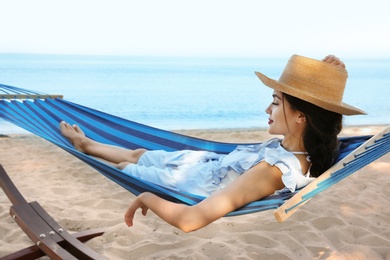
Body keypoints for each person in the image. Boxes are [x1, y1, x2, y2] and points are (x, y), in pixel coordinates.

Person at [60, 54, 366, 232]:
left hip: (186, 184)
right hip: (202, 166)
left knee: (129, 164)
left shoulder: (272, 171)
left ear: (302, 116)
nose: (267, 110)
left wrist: (147, 198)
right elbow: (324, 125)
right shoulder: (307, 146)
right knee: (141, 152)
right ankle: (85, 144)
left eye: (275, 102)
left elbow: (191, 220)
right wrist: (327, 79)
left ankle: (86, 147)